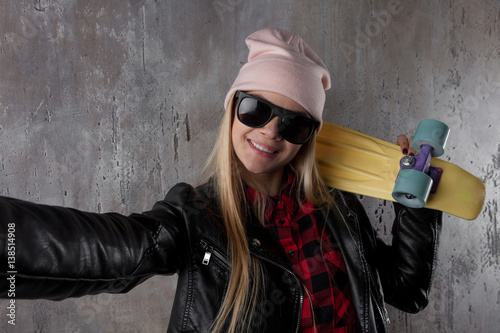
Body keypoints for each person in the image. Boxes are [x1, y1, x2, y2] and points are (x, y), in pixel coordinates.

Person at [0, 27, 442, 333]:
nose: (270, 131)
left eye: (294, 124)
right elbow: (105, 250)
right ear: (232, 109)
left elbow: (407, 291)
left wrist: (413, 202)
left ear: (307, 138)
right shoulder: (197, 218)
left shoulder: (338, 207)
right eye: (256, 110)